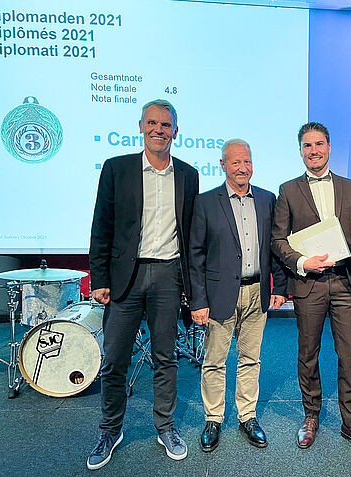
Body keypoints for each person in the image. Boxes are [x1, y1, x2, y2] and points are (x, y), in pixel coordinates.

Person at [87, 100, 199, 469]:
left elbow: (190, 234)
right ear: (140, 126)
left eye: (166, 125)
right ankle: (110, 430)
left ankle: (165, 427)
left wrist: (188, 284)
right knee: (114, 359)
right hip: (125, 278)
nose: (158, 130)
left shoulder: (188, 174)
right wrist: (100, 278)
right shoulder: (117, 169)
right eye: (152, 123)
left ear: (175, 132)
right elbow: (101, 226)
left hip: (168, 276)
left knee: (166, 358)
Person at [271, 122, 351, 457]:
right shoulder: (288, 190)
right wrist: (302, 262)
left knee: (350, 355)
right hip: (309, 284)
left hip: (346, 282)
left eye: (319, 144)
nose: (314, 151)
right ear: (300, 150)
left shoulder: (349, 188)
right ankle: (311, 415)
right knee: (308, 354)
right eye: (307, 145)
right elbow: (277, 240)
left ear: (329, 147)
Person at [189, 138, 287, 452]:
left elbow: (275, 249)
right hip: (219, 295)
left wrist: (280, 287)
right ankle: (213, 418)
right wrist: (198, 300)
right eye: (235, 162)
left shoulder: (267, 199)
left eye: (247, 161)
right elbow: (196, 255)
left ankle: (247, 416)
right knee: (215, 361)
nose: (242, 168)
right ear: (223, 165)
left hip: (257, 292)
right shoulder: (205, 202)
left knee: (250, 359)